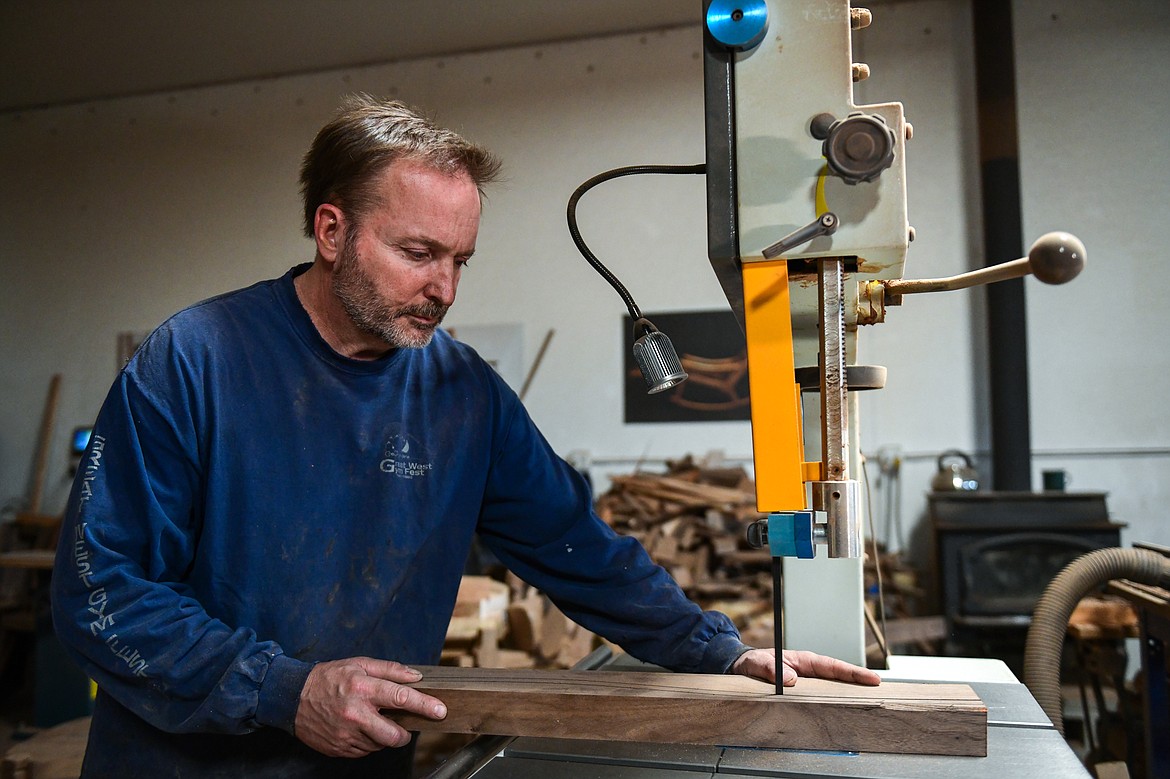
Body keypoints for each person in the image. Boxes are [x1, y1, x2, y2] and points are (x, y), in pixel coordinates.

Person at [51, 94, 879, 778]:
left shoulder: (460, 392)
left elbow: (575, 546)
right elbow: (102, 592)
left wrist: (718, 649)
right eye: (417, 252)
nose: (443, 287)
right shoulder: (195, 360)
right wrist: (284, 689)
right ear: (332, 231)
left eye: (461, 260)